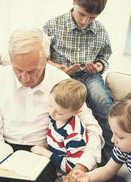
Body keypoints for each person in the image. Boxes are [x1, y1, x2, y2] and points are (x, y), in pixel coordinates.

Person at [0, 28, 103, 182]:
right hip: (4, 146)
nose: (25, 78)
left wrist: (82, 166)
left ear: (46, 60)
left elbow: (93, 130)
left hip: (40, 152)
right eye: (18, 69)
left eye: (32, 71)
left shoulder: (62, 83)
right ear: (11, 60)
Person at [43, 0, 114, 163]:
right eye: (82, 14)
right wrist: (58, 68)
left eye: (92, 18)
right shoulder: (52, 25)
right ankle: (59, 147)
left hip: (89, 76)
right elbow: (43, 58)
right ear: (74, 2)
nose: (84, 21)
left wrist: (97, 66)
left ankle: (110, 157)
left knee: (103, 101)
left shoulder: (101, 31)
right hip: (61, 76)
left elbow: (104, 58)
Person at [31, 78, 88, 174]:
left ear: (75, 112)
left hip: (65, 170)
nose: (51, 113)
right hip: (54, 156)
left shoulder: (73, 135)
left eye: (59, 113)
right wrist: (46, 146)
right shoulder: (56, 118)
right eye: (50, 105)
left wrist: (45, 153)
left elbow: (72, 167)